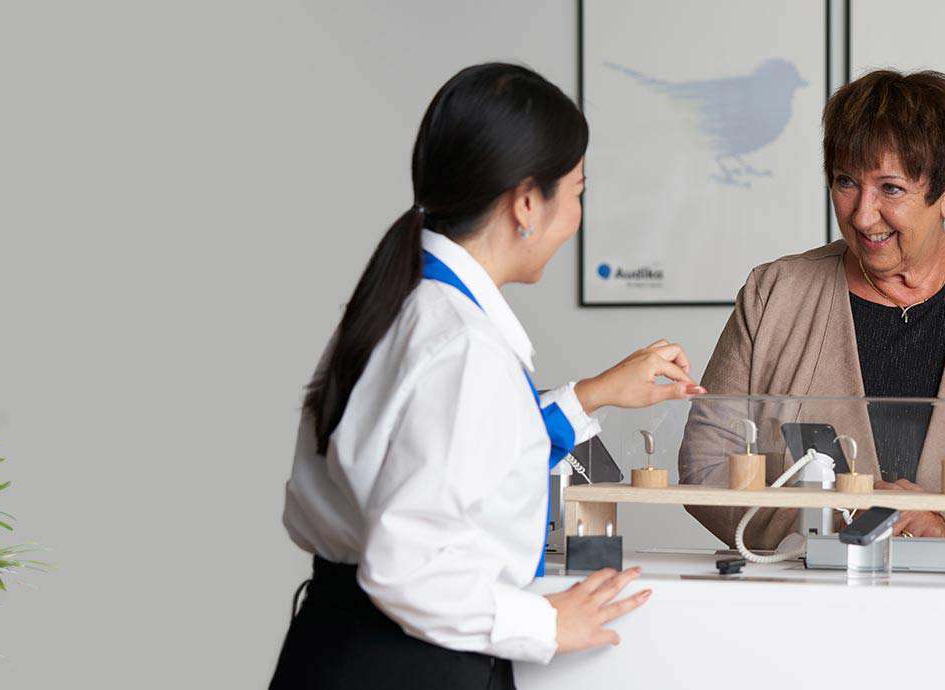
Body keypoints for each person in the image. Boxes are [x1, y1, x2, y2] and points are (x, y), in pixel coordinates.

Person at [271, 63, 706, 690]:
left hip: (335, 643)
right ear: (527, 203)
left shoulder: (399, 302)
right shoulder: (464, 348)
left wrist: (594, 395)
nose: (578, 214)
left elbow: (454, 457)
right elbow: (407, 565)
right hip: (410, 661)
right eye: (578, 191)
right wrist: (545, 624)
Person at [679, 69, 945, 555]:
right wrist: (833, 528)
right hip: (808, 599)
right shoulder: (772, 293)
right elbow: (706, 464)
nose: (861, 214)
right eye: (845, 183)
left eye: (890, 189)